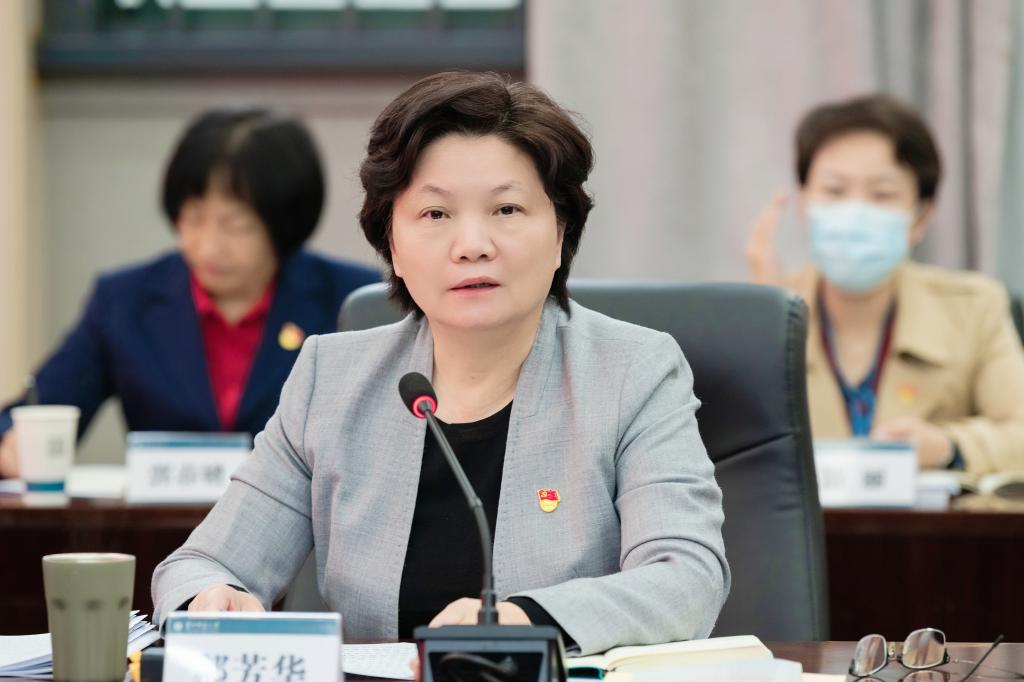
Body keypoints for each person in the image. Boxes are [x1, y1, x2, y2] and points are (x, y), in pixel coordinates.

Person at [152, 71, 729, 656]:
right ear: (393, 246)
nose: (472, 244)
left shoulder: (633, 373)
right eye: (435, 214)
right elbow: (200, 564)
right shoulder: (332, 379)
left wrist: (526, 621)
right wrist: (215, 596)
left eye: (506, 209)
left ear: (560, 234)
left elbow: (687, 577)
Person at [0, 108, 379, 478]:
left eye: (235, 225)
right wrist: (12, 444)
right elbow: (36, 411)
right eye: (194, 218)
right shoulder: (124, 302)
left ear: (284, 224)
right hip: (161, 521)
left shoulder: (350, 300)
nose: (208, 246)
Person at [746, 94, 1024, 474]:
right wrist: (763, 322)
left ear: (921, 216)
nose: (855, 213)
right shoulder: (767, 307)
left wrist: (949, 447)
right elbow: (729, 450)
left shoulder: (975, 308)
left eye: (882, 195)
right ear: (804, 204)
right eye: (834, 191)